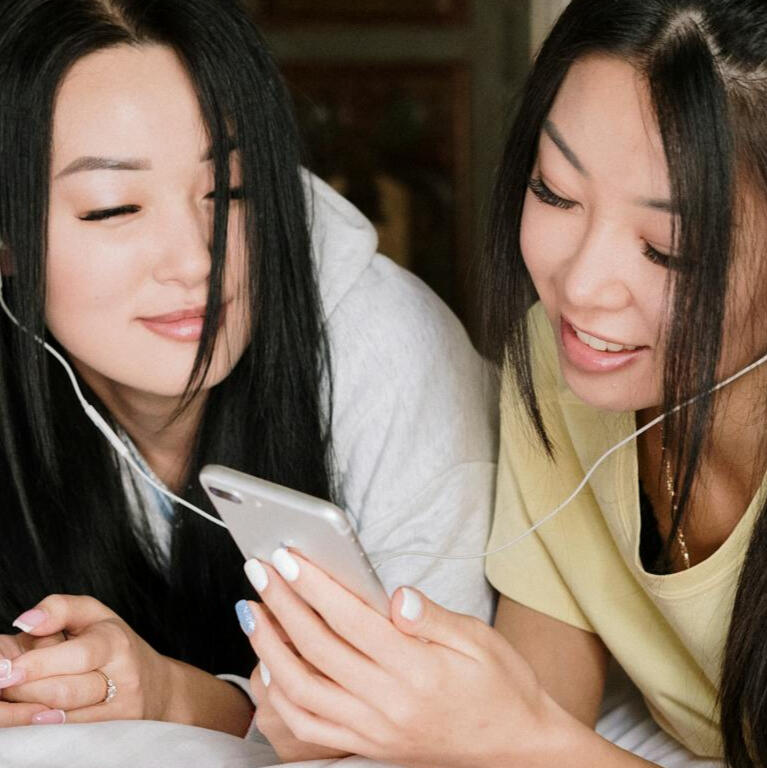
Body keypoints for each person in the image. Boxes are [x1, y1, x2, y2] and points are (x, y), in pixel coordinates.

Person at [238, 1, 767, 765]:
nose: (579, 287)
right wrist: (381, 716)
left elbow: (527, 736)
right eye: (554, 191)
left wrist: (515, 739)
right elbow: (540, 700)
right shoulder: (557, 365)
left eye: (666, 247)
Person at [0, 0, 496, 749]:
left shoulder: (388, 351)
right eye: (114, 207)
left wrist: (175, 695)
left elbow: (432, 730)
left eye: (231, 192)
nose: (195, 261)